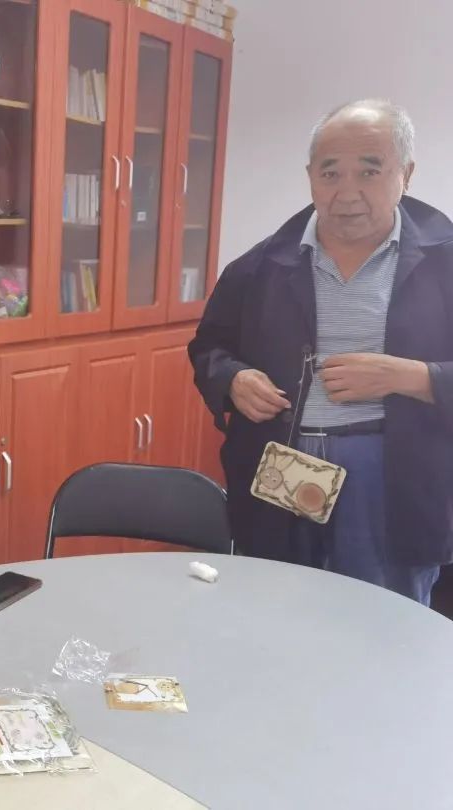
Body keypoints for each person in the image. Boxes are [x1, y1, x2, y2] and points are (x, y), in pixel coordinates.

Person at [190, 99, 453, 605]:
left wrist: (411, 377)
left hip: (392, 469)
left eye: (369, 171)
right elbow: (209, 346)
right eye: (330, 173)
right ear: (310, 177)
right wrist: (232, 379)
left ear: (406, 175)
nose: (347, 193)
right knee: (279, 611)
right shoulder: (261, 265)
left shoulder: (444, 262)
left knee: (383, 621)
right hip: (284, 461)